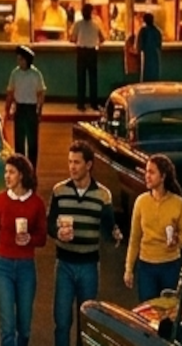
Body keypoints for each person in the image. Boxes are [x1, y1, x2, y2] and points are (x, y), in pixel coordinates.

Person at [49, 142, 121, 346]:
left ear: (88, 165)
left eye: (77, 162)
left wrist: (115, 235)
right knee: (62, 321)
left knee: (85, 322)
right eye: (70, 162)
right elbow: (49, 223)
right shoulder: (59, 191)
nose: (72, 167)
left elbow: (109, 228)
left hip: (89, 265)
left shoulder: (102, 194)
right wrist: (57, 233)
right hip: (64, 264)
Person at [0, 154, 46, 346]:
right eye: (5, 172)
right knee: (7, 327)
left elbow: (42, 238)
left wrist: (30, 239)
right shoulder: (0, 200)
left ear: (22, 175)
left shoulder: (36, 203)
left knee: (24, 327)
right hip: (3, 265)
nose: (6, 176)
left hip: (26, 266)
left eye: (11, 172)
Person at [124, 154, 182, 302]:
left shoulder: (178, 203)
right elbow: (134, 239)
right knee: (148, 311)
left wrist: (176, 241)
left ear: (163, 176)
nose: (147, 176)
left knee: (169, 311)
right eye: (146, 172)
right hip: (146, 266)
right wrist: (129, 269)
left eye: (152, 172)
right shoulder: (141, 202)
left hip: (170, 265)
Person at [4, 45, 46, 164]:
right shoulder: (15, 73)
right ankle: (21, 167)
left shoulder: (35, 74)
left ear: (27, 60)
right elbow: (10, 92)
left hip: (31, 109)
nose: (19, 62)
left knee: (33, 142)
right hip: (20, 108)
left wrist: (39, 110)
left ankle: (32, 168)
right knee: (19, 142)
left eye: (21, 59)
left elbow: (41, 93)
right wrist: (8, 109)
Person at [71, 4, 101, 111]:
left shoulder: (78, 24)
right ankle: (94, 103)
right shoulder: (96, 24)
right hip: (92, 52)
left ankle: (81, 104)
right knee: (93, 79)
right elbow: (102, 38)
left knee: (81, 78)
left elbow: (72, 38)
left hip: (81, 52)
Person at [136, 14, 163, 82]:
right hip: (155, 55)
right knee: (154, 74)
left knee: (146, 74)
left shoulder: (143, 31)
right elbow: (159, 44)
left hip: (145, 55)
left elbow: (139, 45)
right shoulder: (157, 31)